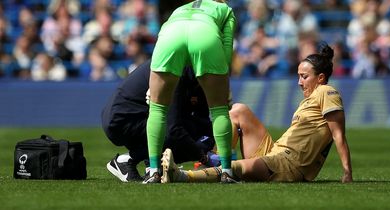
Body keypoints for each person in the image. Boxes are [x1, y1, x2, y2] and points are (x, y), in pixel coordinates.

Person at [161, 43, 353, 183]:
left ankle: (181, 175)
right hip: (276, 154)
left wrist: (347, 173)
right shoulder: (312, 98)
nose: (299, 82)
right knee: (238, 110)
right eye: (298, 77)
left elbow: (338, 135)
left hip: (289, 165)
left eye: (304, 77)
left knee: (234, 168)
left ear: (320, 78)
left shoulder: (327, 91)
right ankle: (214, 163)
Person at [144, 0, 236, 184]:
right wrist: (223, 84)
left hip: (170, 34)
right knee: (219, 110)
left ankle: (153, 171)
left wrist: (153, 86)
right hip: (205, 33)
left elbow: (163, 31)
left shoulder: (180, 8)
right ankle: (226, 172)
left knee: (157, 109)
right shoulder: (225, 10)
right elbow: (227, 49)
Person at [102, 59, 217, 182]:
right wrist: (202, 156)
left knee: (201, 132)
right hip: (123, 121)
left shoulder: (195, 73)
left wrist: (209, 143)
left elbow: (203, 120)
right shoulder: (177, 71)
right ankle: (128, 159)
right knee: (180, 132)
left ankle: (151, 166)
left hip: (129, 116)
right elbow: (173, 130)